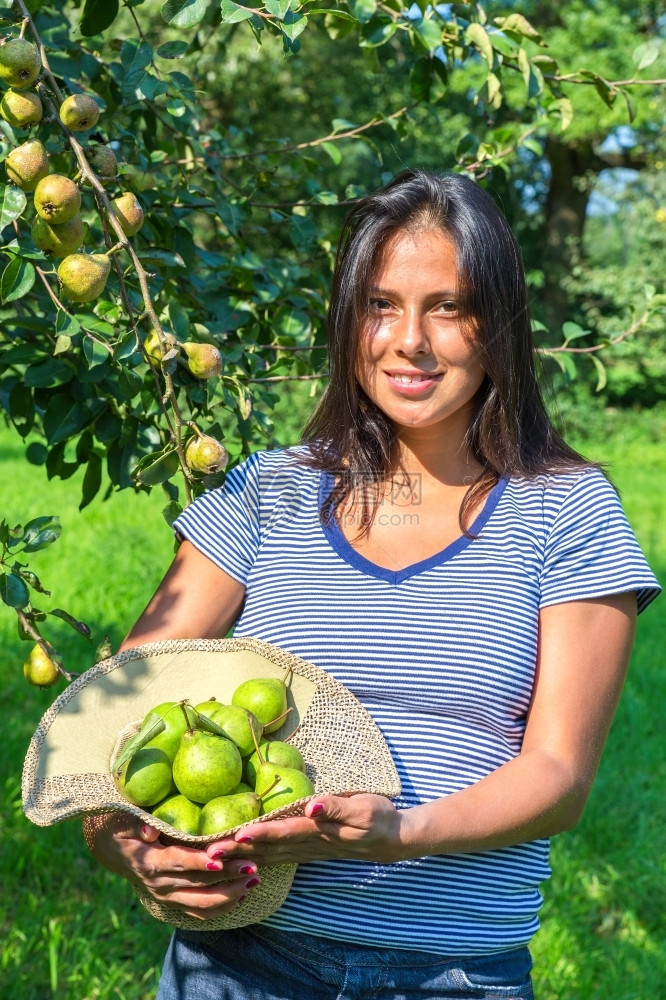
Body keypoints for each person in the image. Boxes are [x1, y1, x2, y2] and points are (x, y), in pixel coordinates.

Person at [84, 170, 661, 999]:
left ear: (497, 325)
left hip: (450, 974)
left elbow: (561, 776)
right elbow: (110, 711)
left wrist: (405, 832)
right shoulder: (268, 493)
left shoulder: (568, 511)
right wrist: (127, 848)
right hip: (239, 963)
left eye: (449, 308)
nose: (409, 341)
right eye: (381, 305)